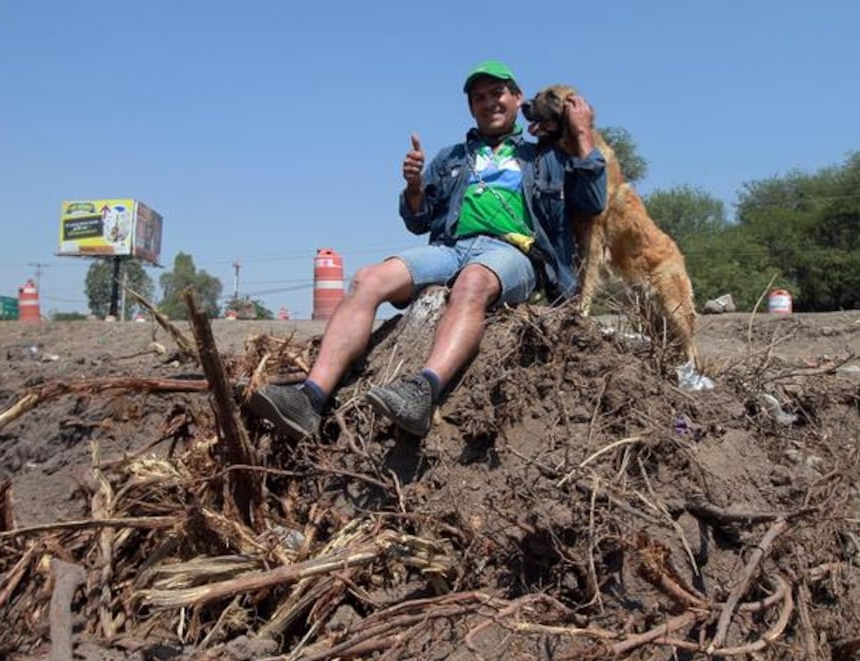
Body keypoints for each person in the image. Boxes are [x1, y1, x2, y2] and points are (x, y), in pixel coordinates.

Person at [249, 60, 606, 438]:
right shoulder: (451, 158)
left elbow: (593, 202)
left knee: (472, 283)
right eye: (479, 98)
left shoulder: (545, 157)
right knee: (368, 278)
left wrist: (583, 136)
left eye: (497, 93)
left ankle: (423, 390)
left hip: (512, 253)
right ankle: (310, 398)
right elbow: (418, 220)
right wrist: (415, 188)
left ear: (518, 99)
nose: (489, 103)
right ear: (471, 108)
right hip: (450, 248)